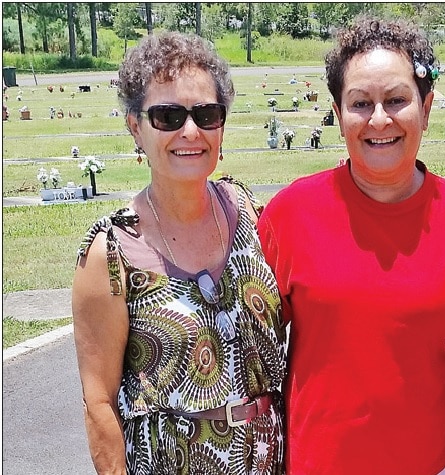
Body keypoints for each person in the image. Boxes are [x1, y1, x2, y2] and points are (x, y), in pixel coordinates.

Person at [257, 16, 445, 475]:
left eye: (397, 100)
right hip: (314, 464)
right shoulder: (290, 214)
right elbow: (250, 349)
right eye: (361, 103)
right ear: (337, 111)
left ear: (425, 108)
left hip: (423, 463)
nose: (379, 119)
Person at [72, 32, 286, 474]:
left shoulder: (246, 210)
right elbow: (98, 402)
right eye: (168, 116)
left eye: (206, 114)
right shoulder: (111, 252)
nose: (190, 131)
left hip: (271, 460)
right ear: (136, 127)